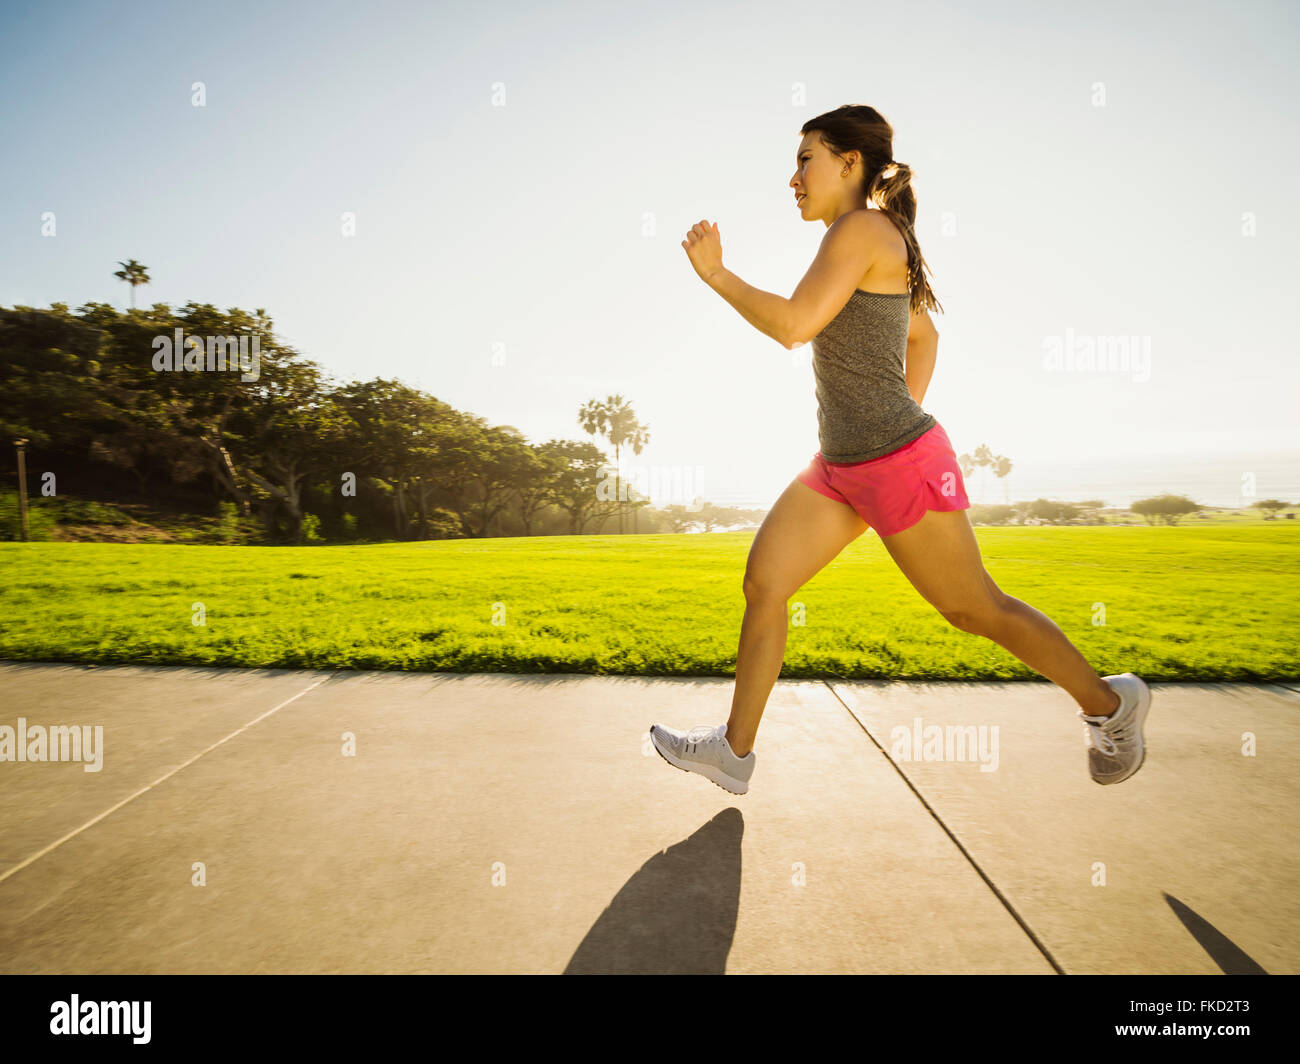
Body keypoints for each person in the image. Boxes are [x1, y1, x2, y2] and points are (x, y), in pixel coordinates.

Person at [651, 104, 1150, 795]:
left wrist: (718, 276)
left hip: (895, 463)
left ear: (849, 163)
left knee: (975, 609)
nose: (793, 178)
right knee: (765, 584)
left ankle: (1111, 705)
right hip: (839, 468)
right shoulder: (864, 238)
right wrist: (883, 417)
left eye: (805, 160)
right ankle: (734, 754)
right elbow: (924, 337)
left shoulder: (862, 229)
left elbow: (795, 327)